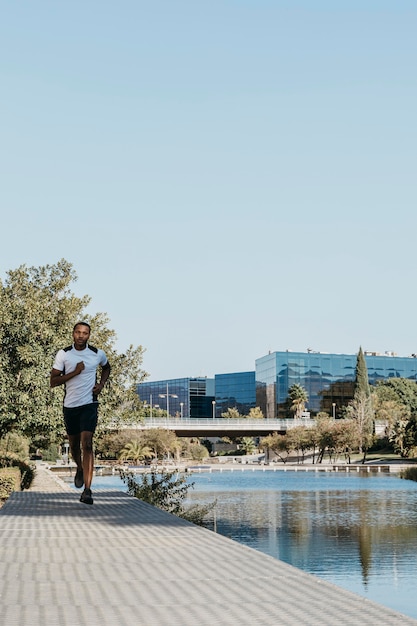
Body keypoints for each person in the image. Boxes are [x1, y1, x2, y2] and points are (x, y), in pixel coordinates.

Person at [50, 322, 111, 505]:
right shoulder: (64, 354)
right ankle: (79, 467)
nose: (81, 335)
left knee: (88, 445)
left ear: (89, 335)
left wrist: (101, 385)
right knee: (74, 447)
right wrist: (75, 372)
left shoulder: (97, 353)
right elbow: (53, 381)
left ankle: (87, 491)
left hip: (89, 405)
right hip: (70, 406)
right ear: (73, 334)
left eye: (85, 333)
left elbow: (107, 368)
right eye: (78, 332)